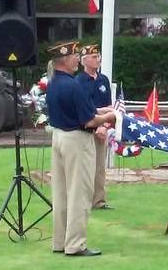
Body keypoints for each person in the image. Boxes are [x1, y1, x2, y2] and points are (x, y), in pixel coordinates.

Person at [46, 41, 116, 257]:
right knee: (79, 193)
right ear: (65, 60)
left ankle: (60, 241)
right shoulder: (73, 85)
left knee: (61, 193)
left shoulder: (54, 83)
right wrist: (111, 116)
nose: (78, 58)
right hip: (77, 140)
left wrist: (99, 111)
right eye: (76, 56)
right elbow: (89, 120)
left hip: (59, 137)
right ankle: (76, 244)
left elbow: (77, 111)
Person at [75, 44, 114, 210]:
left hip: (102, 128)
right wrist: (98, 118)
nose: (97, 59)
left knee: (99, 167)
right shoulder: (78, 81)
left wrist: (104, 125)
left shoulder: (103, 79)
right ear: (84, 61)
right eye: (93, 57)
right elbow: (85, 107)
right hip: (85, 130)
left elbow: (109, 106)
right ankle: (83, 200)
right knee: (84, 167)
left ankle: (99, 200)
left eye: (98, 56)